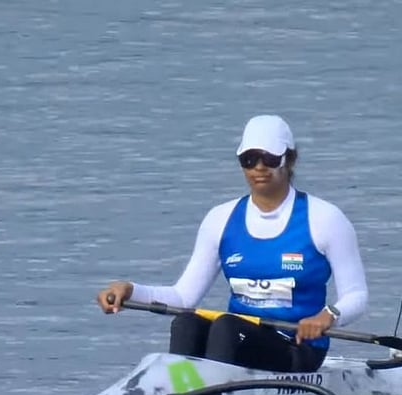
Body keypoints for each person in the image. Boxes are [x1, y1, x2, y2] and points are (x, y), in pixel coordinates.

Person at [96, 114, 369, 373]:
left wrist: (328, 316)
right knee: (186, 322)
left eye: (269, 158)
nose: (259, 167)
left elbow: (356, 295)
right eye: (249, 159)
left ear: (289, 160)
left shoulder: (324, 219)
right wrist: (129, 291)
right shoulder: (220, 219)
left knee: (227, 326)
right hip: (240, 339)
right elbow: (182, 298)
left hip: (297, 345)